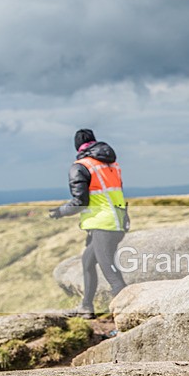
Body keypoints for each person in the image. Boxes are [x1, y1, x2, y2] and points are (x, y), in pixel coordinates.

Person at [49, 129, 128, 319]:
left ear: (77, 146)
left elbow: (79, 202)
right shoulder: (111, 165)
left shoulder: (81, 166)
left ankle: (126, 317)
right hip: (118, 221)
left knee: (113, 277)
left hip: (103, 225)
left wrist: (60, 212)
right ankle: (86, 307)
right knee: (87, 262)